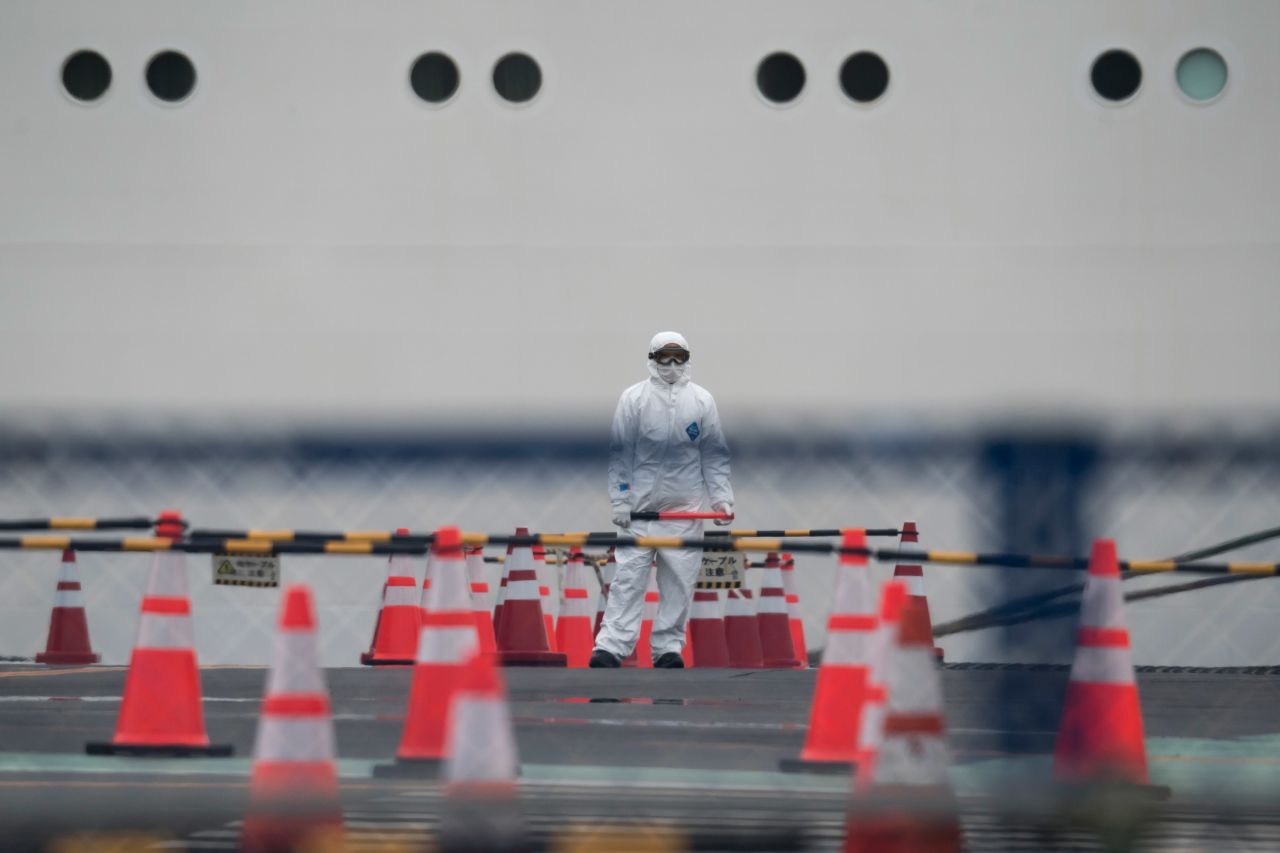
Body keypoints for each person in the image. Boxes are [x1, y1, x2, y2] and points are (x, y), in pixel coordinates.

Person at [591, 331, 734, 668]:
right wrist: (620, 501)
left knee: (679, 583)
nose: (671, 365)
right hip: (639, 513)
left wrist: (721, 499)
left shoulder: (701, 401)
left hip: (685, 514)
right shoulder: (634, 399)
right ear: (652, 359)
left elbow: (714, 456)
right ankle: (611, 647)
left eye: (678, 357)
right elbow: (619, 454)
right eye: (664, 357)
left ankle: (668, 648)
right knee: (627, 580)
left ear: (687, 359)